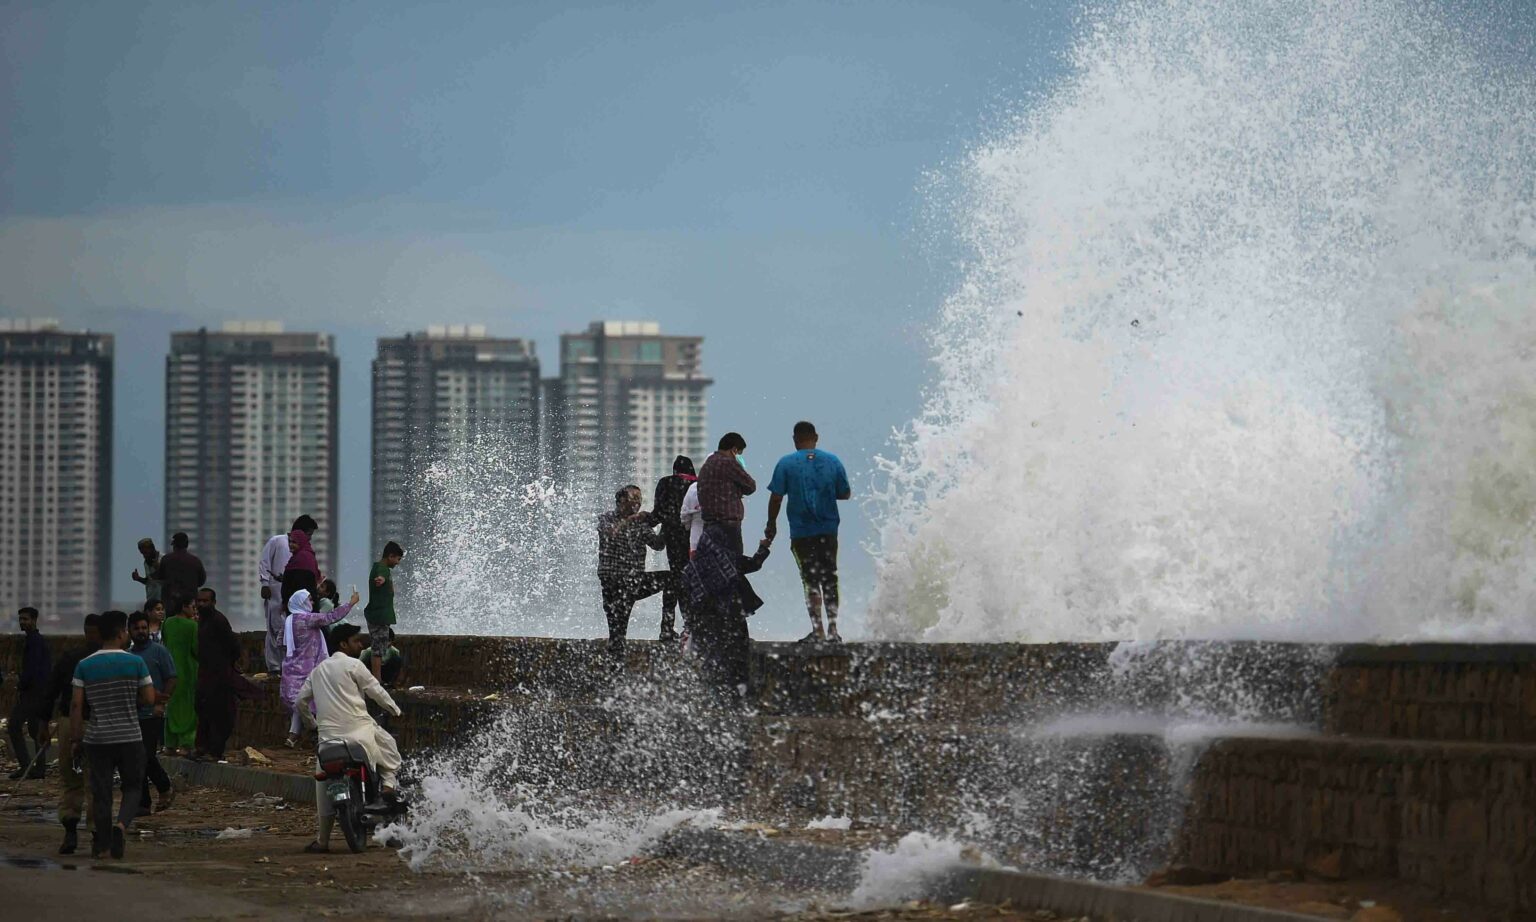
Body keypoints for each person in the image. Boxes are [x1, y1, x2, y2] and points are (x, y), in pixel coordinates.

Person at [295, 624, 404, 853]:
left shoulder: (317, 671)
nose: (361, 645)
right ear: (343, 644)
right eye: (356, 641)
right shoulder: (354, 665)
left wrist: (313, 725)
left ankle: (323, 841)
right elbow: (376, 690)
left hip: (328, 742)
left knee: (322, 785)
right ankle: (387, 786)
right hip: (359, 735)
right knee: (390, 749)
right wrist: (395, 710)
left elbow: (300, 702)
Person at [70, 610, 154, 859]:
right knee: (132, 787)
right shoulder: (136, 662)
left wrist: (76, 740)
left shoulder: (84, 665)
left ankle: (103, 845)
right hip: (129, 736)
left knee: (101, 792)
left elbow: (76, 706)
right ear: (121, 633)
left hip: (97, 738)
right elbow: (149, 698)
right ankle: (121, 826)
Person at [766, 421, 852, 644]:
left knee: (810, 581)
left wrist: (771, 524)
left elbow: (776, 497)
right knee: (830, 577)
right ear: (817, 437)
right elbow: (845, 493)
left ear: (795, 439)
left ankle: (818, 631)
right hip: (828, 529)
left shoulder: (786, 463)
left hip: (801, 532)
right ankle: (834, 631)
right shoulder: (833, 461)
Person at [684, 534, 772, 700]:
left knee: (714, 660)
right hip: (733, 616)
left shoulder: (691, 570)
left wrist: (689, 629)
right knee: (739, 655)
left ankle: (715, 697)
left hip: (708, 624)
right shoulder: (727, 558)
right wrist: (764, 547)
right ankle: (741, 694)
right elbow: (754, 564)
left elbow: (690, 604)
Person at [281, 587, 359, 748]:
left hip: (292, 667)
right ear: (301, 603)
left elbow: (279, 642)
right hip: (309, 669)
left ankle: (293, 736)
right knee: (309, 702)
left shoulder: (289, 621)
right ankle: (315, 732)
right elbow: (330, 617)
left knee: (300, 703)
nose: (312, 602)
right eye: (309, 600)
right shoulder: (306, 618)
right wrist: (350, 603)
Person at [597, 485, 670, 657]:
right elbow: (611, 533)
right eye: (634, 499)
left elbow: (658, 544)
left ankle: (667, 627)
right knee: (617, 629)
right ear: (621, 501)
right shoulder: (607, 518)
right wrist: (633, 519)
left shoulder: (639, 523)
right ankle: (616, 669)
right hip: (613, 582)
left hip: (633, 581)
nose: (638, 503)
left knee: (672, 578)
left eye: (639, 499)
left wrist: (666, 521)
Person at [50, 613, 102, 854]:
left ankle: (70, 831)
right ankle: (95, 835)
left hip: (69, 723)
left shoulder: (70, 657)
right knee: (95, 782)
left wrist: (42, 724)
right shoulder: (108, 661)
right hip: (96, 723)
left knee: (71, 781)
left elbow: (51, 692)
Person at [191, 588, 260, 761]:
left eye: (205, 601)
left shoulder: (218, 620)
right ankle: (201, 748)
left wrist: (226, 664)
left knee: (219, 714)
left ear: (213, 602)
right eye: (199, 601)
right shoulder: (203, 621)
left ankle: (215, 752)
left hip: (219, 675)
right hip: (206, 674)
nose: (201, 604)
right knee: (203, 711)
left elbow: (233, 645)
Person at [128, 611, 177, 815]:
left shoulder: (159, 652)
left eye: (144, 628)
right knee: (135, 759)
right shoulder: (128, 656)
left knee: (146, 755)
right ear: (129, 631)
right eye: (136, 628)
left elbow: (171, 678)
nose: (141, 632)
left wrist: (161, 702)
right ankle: (143, 803)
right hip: (133, 714)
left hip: (153, 714)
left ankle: (165, 787)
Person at [653, 456, 697, 643]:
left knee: (675, 580)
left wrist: (647, 523)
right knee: (692, 583)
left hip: (673, 539)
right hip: (694, 540)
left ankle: (667, 628)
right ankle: (691, 627)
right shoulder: (698, 485)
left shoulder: (665, 482)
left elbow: (659, 512)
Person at [7, 607, 52, 779]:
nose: (22, 622)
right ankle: (38, 769)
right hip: (38, 692)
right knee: (35, 730)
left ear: (34, 620)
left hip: (33, 692)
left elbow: (32, 669)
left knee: (13, 726)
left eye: (25, 619)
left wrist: (21, 686)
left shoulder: (35, 641)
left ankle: (26, 766)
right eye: (20, 619)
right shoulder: (34, 640)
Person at [697, 432, 756, 556]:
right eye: (739, 454)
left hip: (709, 526)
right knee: (732, 567)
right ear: (734, 449)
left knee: (715, 567)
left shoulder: (707, 464)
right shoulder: (728, 463)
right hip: (728, 527)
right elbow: (751, 486)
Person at [260, 518, 300, 672]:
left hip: (290, 594)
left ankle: (285, 665)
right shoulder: (277, 541)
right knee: (273, 628)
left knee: (287, 629)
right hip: (274, 591)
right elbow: (265, 562)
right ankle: (274, 666)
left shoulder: (301, 550)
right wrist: (264, 583)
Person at [160, 596, 200, 753]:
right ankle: (186, 743)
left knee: (171, 708)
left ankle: (170, 744)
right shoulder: (192, 626)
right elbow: (196, 649)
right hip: (188, 671)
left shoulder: (167, 623)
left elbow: (165, 642)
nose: (194, 610)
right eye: (192, 606)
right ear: (184, 607)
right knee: (188, 709)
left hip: (170, 671)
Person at [364, 542, 404, 682]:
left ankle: (377, 679)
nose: (398, 563)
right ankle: (377, 680)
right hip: (379, 615)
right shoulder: (383, 569)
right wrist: (381, 580)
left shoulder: (380, 567)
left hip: (378, 614)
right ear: (390, 556)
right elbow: (381, 576)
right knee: (378, 650)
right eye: (397, 559)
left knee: (378, 649)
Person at [157, 532, 206, 612]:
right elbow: (201, 581)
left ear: (174, 545)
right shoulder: (195, 561)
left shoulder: (166, 559)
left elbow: (160, 577)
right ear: (186, 545)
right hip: (189, 605)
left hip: (170, 604)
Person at [280, 517, 321, 608]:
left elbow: (300, 584)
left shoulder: (303, 557)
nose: (290, 544)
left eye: (294, 542)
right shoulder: (301, 555)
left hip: (301, 608)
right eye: (290, 542)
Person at [130, 538, 163, 604]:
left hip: (163, 600)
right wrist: (138, 578)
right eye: (142, 553)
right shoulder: (146, 563)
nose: (144, 556)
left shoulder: (163, 559)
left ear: (152, 548)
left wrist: (158, 568)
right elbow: (149, 581)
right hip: (151, 600)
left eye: (145, 552)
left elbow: (168, 578)